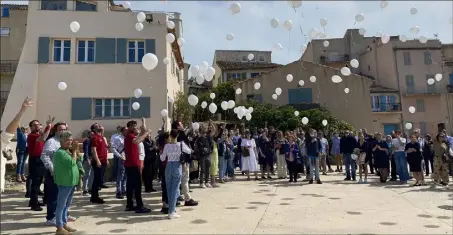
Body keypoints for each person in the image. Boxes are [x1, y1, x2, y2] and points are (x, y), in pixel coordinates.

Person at [1, 97, 33, 193]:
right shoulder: (19, 133)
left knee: (22, 163)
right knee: (20, 163)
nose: (25, 129)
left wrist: (23, 110)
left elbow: (10, 130)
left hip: (25, 150)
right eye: (24, 128)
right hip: (20, 150)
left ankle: (21, 174)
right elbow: (15, 126)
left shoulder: (2, 139)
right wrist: (22, 110)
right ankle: (18, 175)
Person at [160, 129, 193, 219]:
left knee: (169, 189)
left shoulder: (167, 146)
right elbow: (190, 151)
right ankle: (172, 211)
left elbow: (162, 158)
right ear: (177, 135)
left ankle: (171, 210)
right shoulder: (181, 144)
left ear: (170, 135)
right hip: (177, 166)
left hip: (168, 166)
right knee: (175, 189)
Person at [41, 122, 69, 225]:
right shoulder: (51, 141)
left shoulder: (65, 141)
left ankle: (64, 215)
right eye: (60, 129)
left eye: (64, 129)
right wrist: (51, 168)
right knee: (54, 196)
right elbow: (44, 155)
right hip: (54, 173)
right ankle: (51, 218)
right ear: (56, 131)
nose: (63, 131)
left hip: (64, 173)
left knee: (64, 196)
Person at [53, 132, 79, 235]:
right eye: (68, 140)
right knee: (61, 205)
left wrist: (74, 150)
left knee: (66, 205)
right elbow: (72, 162)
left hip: (71, 182)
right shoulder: (60, 153)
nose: (70, 142)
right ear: (62, 141)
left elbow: (78, 159)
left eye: (71, 140)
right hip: (65, 182)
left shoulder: (67, 151)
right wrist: (75, 151)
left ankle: (64, 223)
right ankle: (59, 227)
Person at [124, 119, 152, 213]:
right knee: (137, 186)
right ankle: (139, 206)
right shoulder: (129, 135)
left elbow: (140, 134)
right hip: (132, 164)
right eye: (133, 125)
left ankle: (130, 205)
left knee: (131, 186)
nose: (135, 127)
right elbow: (137, 140)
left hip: (131, 164)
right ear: (129, 127)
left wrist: (143, 122)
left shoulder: (132, 135)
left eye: (135, 125)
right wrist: (147, 132)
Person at [89, 123, 108, 204]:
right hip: (98, 161)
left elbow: (104, 149)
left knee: (99, 180)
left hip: (103, 161)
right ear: (94, 129)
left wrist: (106, 159)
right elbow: (94, 150)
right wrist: (97, 161)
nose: (99, 125)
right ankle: (94, 197)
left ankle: (94, 196)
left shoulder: (101, 137)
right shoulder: (94, 138)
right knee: (97, 180)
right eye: (97, 125)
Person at [112, 127, 127, 199]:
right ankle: (119, 191)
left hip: (128, 159)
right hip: (122, 158)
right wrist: (119, 156)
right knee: (120, 176)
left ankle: (124, 190)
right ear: (122, 131)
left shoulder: (129, 138)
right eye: (126, 130)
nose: (127, 131)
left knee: (125, 176)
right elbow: (113, 148)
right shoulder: (118, 138)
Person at [82, 131, 93, 196]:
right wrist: (88, 159)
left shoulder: (92, 141)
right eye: (91, 134)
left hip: (92, 159)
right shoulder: (87, 141)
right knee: (87, 175)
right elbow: (85, 150)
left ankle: (90, 188)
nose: (92, 135)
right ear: (88, 134)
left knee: (91, 175)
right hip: (88, 159)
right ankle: (84, 190)